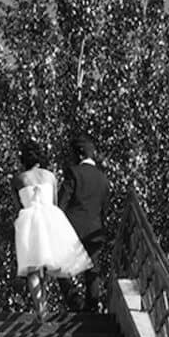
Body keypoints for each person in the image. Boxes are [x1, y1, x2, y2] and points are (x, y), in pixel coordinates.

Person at [12, 141, 92, 323]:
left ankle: (40, 310)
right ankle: (44, 306)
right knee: (46, 266)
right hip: (50, 219)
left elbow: (17, 207)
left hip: (29, 222)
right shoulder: (50, 176)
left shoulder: (18, 179)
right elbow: (54, 202)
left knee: (32, 269)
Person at [57, 134, 111, 313]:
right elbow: (104, 209)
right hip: (95, 231)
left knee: (59, 267)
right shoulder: (104, 179)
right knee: (92, 271)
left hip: (73, 230)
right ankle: (92, 308)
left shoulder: (73, 172)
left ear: (79, 155)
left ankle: (75, 301)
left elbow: (62, 203)